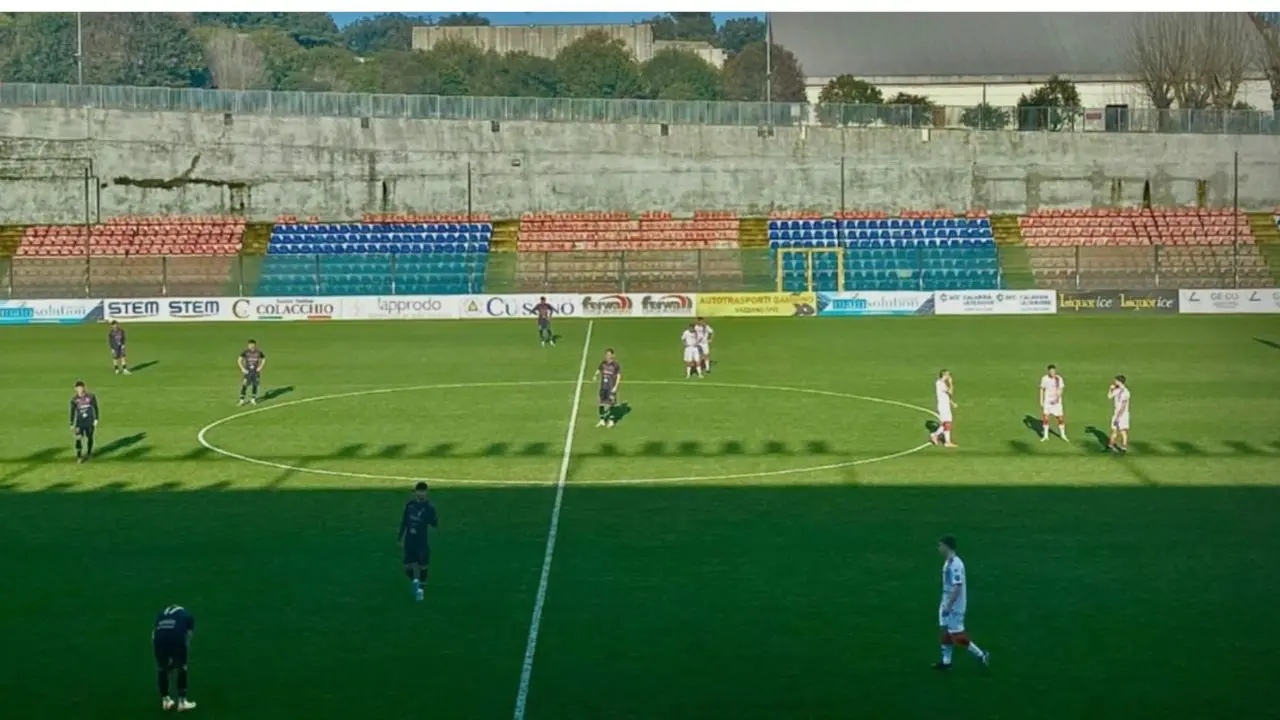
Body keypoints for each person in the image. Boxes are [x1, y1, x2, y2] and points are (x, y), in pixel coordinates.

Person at [935, 536, 990, 671]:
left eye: (940, 545)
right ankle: (946, 662)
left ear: (947, 546)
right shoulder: (948, 562)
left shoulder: (956, 564)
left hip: (955, 605)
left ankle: (981, 655)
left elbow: (957, 586)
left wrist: (949, 605)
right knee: (945, 631)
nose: (939, 548)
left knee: (957, 635)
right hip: (946, 601)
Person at [152, 605, 197, 712]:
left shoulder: (161, 615)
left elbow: (154, 634)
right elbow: (188, 636)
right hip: (176, 638)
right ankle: (182, 702)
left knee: (162, 669)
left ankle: (165, 700)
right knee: (182, 668)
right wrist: (180, 659)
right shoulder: (187, 616)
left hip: (159, 639)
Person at [399, 482, 438, 602]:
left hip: (421, 541)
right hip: (410, 541)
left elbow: (434, 523)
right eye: (419, 491)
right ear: (415, 492)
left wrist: (430, 518)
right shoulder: (410, 505)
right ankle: (415, 582)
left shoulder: (429, 508)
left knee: (423, 567)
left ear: (427, 493)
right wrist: (400, 537)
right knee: (407, 568)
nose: (421, 493)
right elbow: (404, 521)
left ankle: (420, 590)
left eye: (423, 491)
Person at [69, 381, 100, 463]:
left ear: (84, 387)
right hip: (79, 422)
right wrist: (72, 423)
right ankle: (79, 456)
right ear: (75, 389)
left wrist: (96, 419)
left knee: (90, 437)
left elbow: (95, 407)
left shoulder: (91, 396)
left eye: (81, 387)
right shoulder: (74, 400)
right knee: (78, 438)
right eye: (78, 388)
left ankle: (89, 453)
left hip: (89, 421)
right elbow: (72, 411)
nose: (80, 389)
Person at [592, 349, 622, 427]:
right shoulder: (603, 363)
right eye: (606, 354)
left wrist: (616, 386)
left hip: (611, 388)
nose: (607, 356)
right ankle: (602, 420)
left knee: (611, 404)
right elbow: (599, 369)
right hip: (603, 387)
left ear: (613, 355)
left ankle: (611, 421)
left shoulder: (615, 365)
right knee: (601, 404)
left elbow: (619, 376)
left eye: (609, 354)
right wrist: (595, 375)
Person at [1039, 364, 1067, 442]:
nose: (1052, 373)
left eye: (1053, 371)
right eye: (1051, 371)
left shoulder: (1059, 379)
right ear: (1048, 371)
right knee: (1046, 418)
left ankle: (1063, 435)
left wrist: (1058, 395)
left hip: (1057, 403)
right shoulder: (1044, 379)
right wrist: (1041, 400)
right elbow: (1041, 389)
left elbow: (1061, 389)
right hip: (1047, 402)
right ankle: (1045, 436)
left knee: (1060, 419)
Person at [929, 370, 957, 448]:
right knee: (947, 423)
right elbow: (950, 392)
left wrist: (952, 402)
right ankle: (936, 436)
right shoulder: (940, 383)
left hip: (945, 405)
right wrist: (951, 383)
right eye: (948, 375)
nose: (949, 376)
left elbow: (947, 395)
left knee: (947, 423)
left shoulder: (941, 383)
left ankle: (946, 441)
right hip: (943, 406)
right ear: (944, 375)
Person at [238, 339, 266, 406]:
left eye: (252, 345)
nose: (251, 346)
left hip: (255, 372)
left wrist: (260, 367)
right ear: (248, 345)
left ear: (255, 345)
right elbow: (239, 359)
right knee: (244, 385)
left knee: (255, 385)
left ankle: (253, 399)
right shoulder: (245, 352)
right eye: (250, 345)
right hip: (247, 372)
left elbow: (264, 359)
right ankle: (242, 400)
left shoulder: (258, 352)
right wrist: (242, 368)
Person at [1108, 375, 1130, 452]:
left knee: (1122, 431)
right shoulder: (1116, 389)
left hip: (1122, 414)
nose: (1114, 382)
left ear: (1119, 382)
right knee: (1113, 429)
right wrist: (1110, 389)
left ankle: (1124, 447)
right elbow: (1109, 397)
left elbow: (1124, 406)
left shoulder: (1125, 392)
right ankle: (1110, 446)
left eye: (1116, 381)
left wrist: (1118, 417)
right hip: (1116, 413)